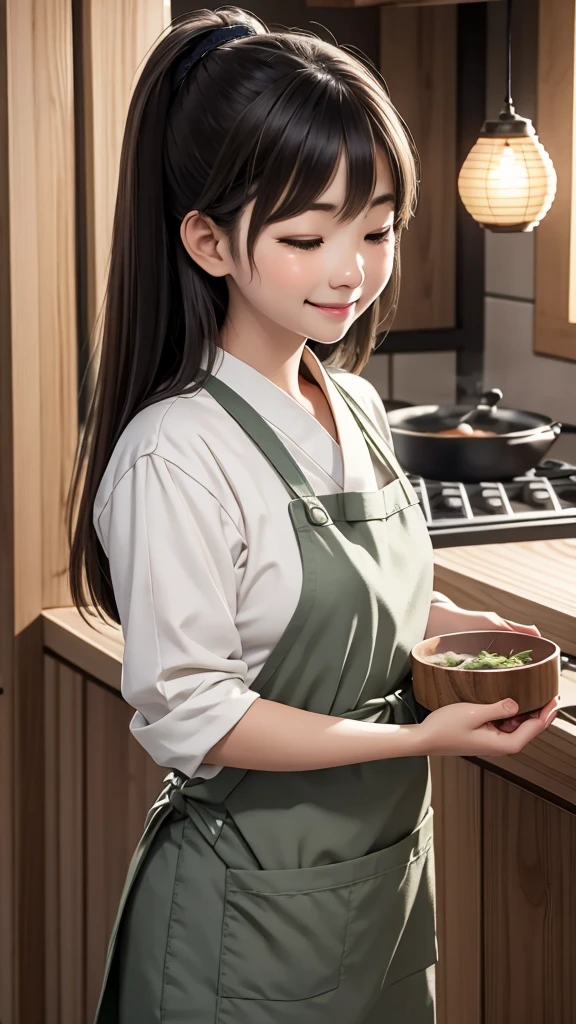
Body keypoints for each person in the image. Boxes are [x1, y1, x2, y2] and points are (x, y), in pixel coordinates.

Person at [66, 9, 561, 1023]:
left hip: (380, 896)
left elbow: (346, 620)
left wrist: (464, 638)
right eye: (306, 236)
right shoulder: (175, 454)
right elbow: (195, 712)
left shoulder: (355, 402)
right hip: (239, 929)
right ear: (208, 240)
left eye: (376, 229)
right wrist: (424, 740)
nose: (352, 269)